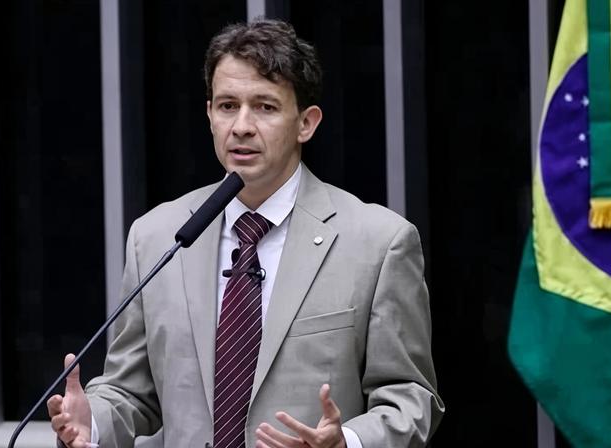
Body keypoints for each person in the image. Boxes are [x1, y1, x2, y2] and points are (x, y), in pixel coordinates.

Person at [47, 19, 444, 448]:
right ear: (209, 115)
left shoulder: (379, 243)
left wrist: (347, 440)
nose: (242, 126)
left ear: (306, 123)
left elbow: (411, 399)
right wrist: (95, 422)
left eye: (265, 107)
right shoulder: (158, 236)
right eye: (227, 106)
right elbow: (132, 392)